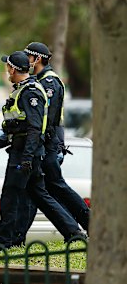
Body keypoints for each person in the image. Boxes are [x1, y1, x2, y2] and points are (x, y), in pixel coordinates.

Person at [0, 51, 85, 249]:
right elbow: (18, 126)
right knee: (41, 196)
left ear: (13, 68)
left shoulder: (31, 92)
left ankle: (2, 243)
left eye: (8, 67)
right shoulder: (23, 89)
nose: (7, 70)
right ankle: (73, 233)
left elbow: (34, 128)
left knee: (10, 197)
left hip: (25, 154)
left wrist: (27, 159)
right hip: (23, 151)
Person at [22, 42, 90, 233]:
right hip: (47, 144)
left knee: (55, 187)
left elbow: (47, 118)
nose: (27, 62)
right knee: (41, 190)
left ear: (38, 59)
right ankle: (17, 236)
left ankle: (86, 224)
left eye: (29, 57)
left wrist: (40, 143)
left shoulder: (49, 82)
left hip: (49, 144)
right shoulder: (41, 80)